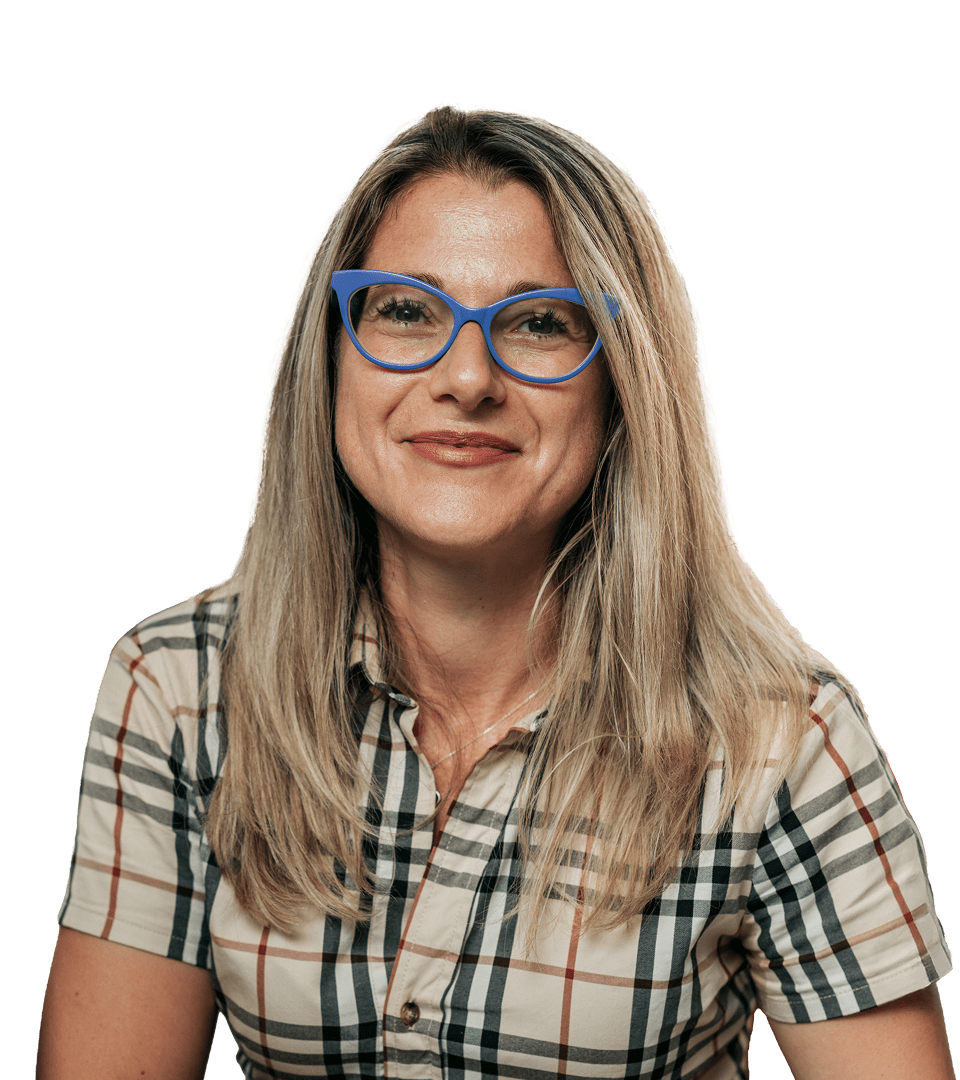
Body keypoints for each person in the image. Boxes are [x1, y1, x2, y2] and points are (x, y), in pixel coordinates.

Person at [38, 105, 953, 1079]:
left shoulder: (781, 739)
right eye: (405, 311)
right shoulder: (178, 689)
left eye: (540, 323)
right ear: (330, 356)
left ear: (623, 386)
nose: (466, 376)